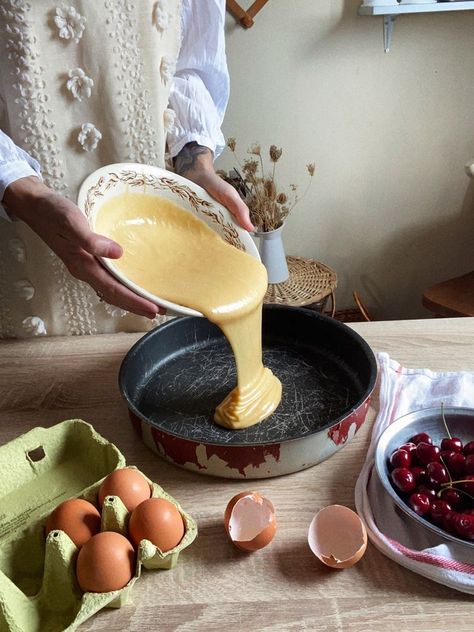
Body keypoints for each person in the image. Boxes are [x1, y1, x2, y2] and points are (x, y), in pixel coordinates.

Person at [0, 0, 252, 337]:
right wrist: (23, 191)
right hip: (23, 236)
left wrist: (196, 164)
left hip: (156, 236)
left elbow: (190, 61)